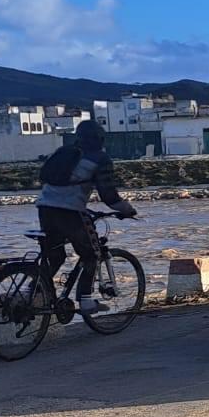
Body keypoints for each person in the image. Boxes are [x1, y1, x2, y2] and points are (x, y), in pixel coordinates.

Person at [35, 120, 136, 314]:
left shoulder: (63, 152)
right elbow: (108, 195)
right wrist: (126, 209)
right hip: (70, 212)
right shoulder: (100, 158)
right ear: (100, 138)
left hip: (45, 208)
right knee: (92, 254)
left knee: (55, 256)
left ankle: (34, 292)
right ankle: (86, 300)